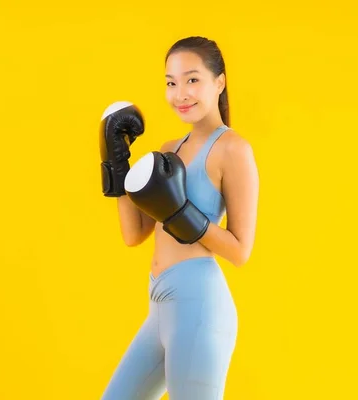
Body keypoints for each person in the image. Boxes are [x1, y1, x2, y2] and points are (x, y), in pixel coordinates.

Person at [98, 36, 259, 400]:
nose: (180, 93)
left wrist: (181, 213)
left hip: (198, 304)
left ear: (219, 82)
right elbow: (133, 234)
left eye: (192, 79)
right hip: (159, 304)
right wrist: (116, 166)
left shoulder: (233, 149)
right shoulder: (169, 150)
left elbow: (239, 251)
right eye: (171, 83)